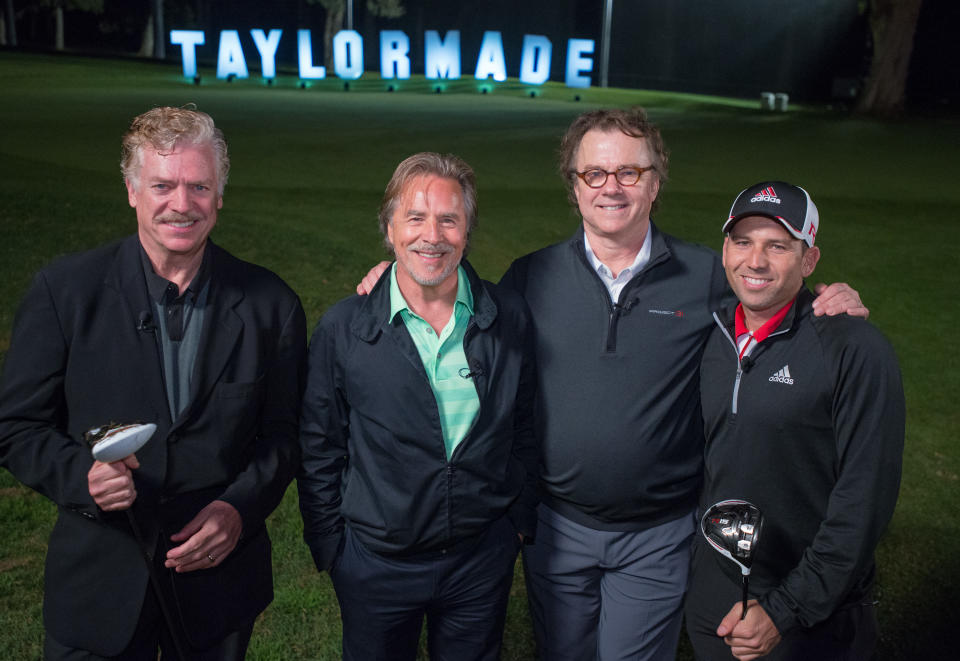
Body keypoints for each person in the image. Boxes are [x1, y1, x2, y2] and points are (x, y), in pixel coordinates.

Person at [356, 108, 866, 661]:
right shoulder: (531, 277)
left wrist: (824, 300)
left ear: (655, 182)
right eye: (594, 173)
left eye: (630, 172)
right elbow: (455, 304)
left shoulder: (708, 277)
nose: (611, 187)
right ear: (573, 186)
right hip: (556, 529)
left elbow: (769, 294)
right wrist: (397, 279)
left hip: (658, 534)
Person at [0, 106, 307, 659]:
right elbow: (16, 426)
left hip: (218, 588)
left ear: (220, 195)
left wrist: (239, 508)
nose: (181, 204)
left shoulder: (272, 304)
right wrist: (81, 478)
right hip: (97, 587)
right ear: (132, 191)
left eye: (199, 186)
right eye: (163, 185)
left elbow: (283, 436)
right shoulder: (64, 292)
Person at [298, 152, 538, 661]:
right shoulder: (344, 329)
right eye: (415, 217)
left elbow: (525, 424)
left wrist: (515, 522)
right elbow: (320, 444)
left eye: (449, 219)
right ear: (389, 229)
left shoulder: (507, 317)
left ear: (467, 230)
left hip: (478, 560)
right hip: (375, 565)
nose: (432, 235)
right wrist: (332, 548)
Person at [684, 181, 904, 660]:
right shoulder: (710, 335)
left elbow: (862, 505)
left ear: (809, 260)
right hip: (713, 598)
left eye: (777, 246)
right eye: (743, 241)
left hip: (809, 615)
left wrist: (785, 610)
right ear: (725, 250)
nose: (755, 260)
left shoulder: (854, 350)